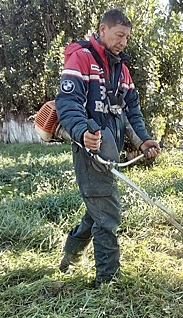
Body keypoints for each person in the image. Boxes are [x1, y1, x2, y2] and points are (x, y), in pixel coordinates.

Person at [55, 9, 161, 288]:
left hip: (110, 149)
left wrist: (143, 140)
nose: (123, 42)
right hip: (89, 149)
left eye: (127, 37)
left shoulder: (122, 70)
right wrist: (81, 132)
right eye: (119, 35)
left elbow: (132, 112)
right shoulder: (81, 58)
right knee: (108, 212)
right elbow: (69, 104)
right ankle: (107, 281)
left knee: (97, 209)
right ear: (102, 30)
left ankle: (70, 255)